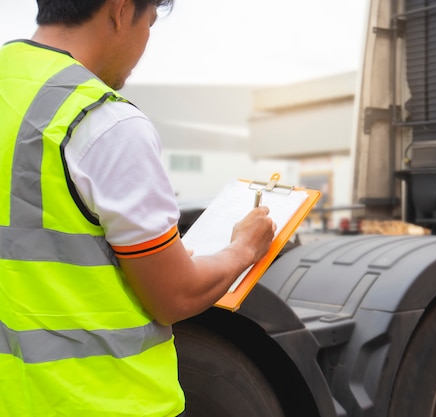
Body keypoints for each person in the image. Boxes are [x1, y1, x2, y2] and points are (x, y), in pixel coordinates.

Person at [0, 0, 276, 416]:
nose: (145, 41)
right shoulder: (101, 122)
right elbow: (175, 296)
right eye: (149, 22)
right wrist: (244, 248)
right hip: (102, 403)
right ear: (120, 10)